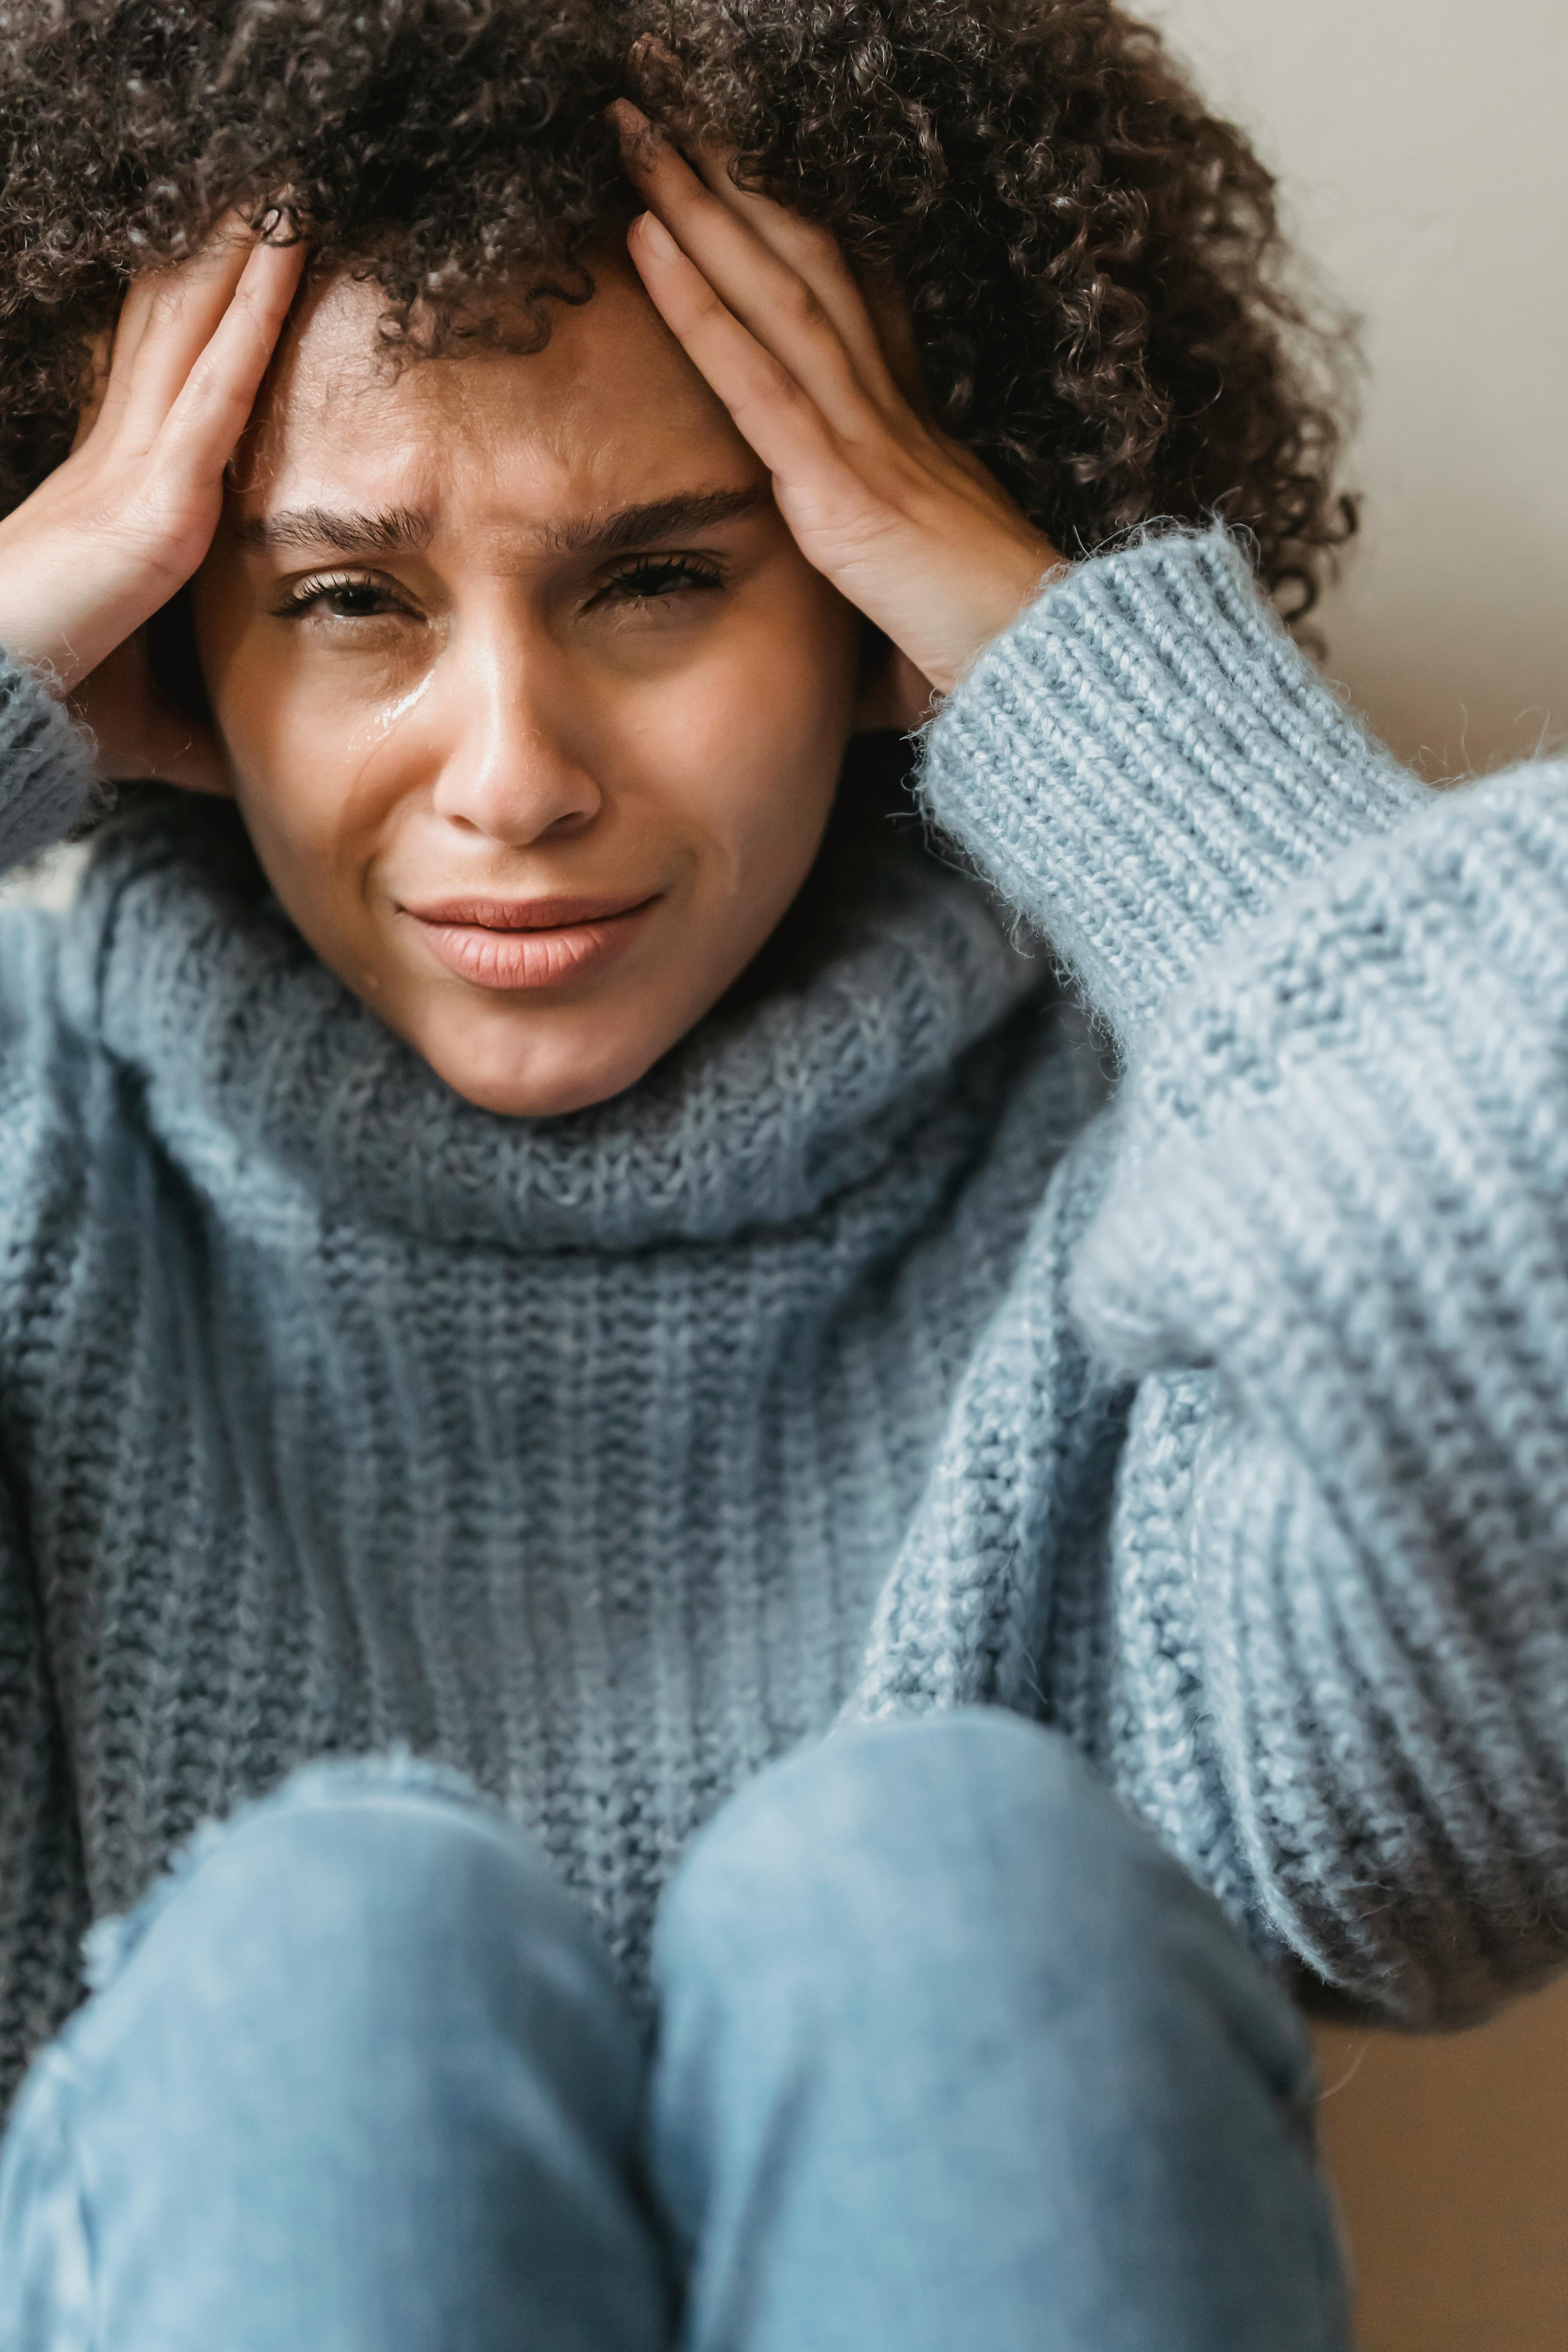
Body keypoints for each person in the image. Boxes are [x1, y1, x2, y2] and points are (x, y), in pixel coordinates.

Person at [0, 2, 1563, 2346]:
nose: (511, 777)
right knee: (337, 1957)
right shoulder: (42, 1155)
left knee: (948, 1873)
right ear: (165, 651)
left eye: (660, 578)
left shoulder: (1199, 1191)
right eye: (348, 600)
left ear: (864, 609)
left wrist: (1095, 705)